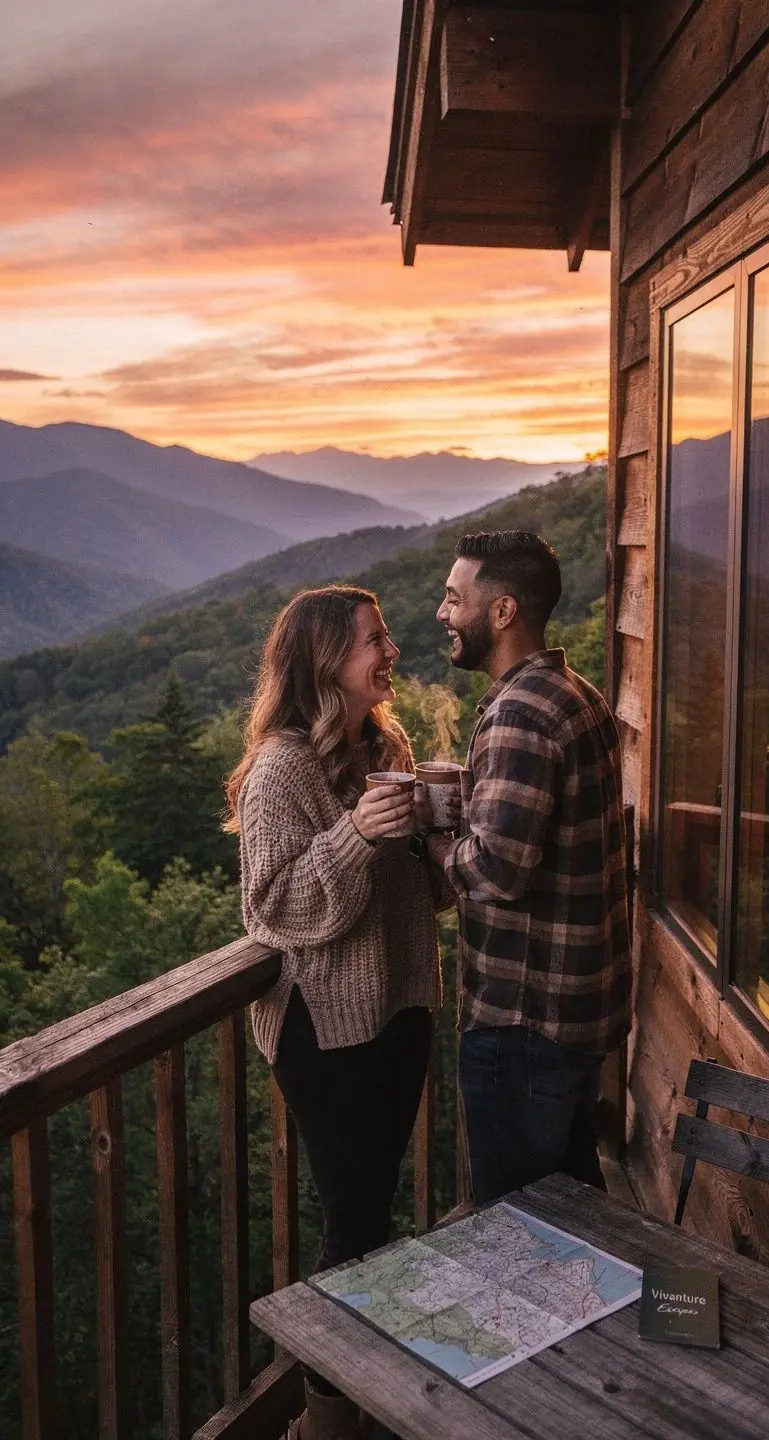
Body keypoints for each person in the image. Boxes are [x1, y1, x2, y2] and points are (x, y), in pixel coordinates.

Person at [225, 585, 443, 1440]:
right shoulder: (280, 770)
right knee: (353, 1218)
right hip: (322, 1026)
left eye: (385, 636)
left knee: (375, 1205)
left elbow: (416, 890)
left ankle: (364, 1391)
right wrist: (357, 834)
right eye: (372, 641)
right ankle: (328, 1415)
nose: (390, 651)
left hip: (400, 1005)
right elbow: (272, 907)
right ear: (324, 661)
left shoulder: (385, 745)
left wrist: (437, 833)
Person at [427, 531, 631, 1205]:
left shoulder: (518, 714)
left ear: (503, 611)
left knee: (514, 1221)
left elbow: (495, 872)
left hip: (524, 1024)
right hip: (575, 1014)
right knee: (570, 1203)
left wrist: (431, 840)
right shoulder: (576, 694)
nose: (443, 613)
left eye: (454, 599)